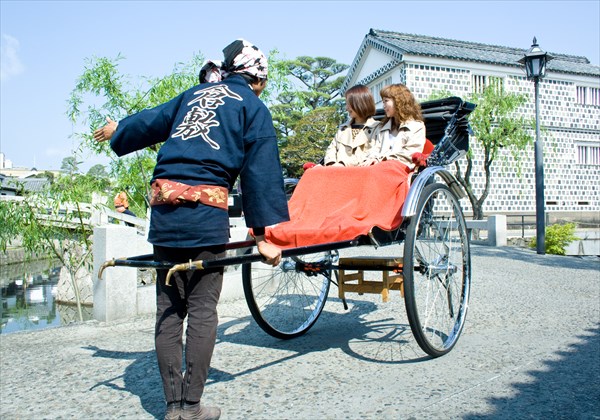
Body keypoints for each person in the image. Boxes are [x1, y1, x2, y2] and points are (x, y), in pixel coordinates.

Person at [93, 39, 289, 420]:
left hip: (163, 211)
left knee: (169, 309)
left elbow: (151, 120)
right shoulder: (253, 107)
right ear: (257, 78)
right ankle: (192, 407)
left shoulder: (194, 95)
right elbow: (259, 176)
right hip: (204, 215)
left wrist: (120, 128)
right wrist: (263, 238)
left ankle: (172, 408)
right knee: (202, 310)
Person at [360, 83, 426, 169]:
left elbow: (409, 154)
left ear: (399, 101)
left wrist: (382, 160)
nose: (383, 106)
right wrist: (372, 158)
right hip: (379, 168)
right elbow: (375, 148)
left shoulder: (417, 126)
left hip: (400, 169)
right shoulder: (382, 127)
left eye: (386, 101)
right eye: (383, 102)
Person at [323, 84, 378, 167]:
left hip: (363, 174)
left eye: (349, 104)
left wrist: (343, 164)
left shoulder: (377, 128)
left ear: (360, 103)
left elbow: (375, 153)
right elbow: (331, 149)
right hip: (337, 174)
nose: (346, 108)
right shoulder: (342, 129)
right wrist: (331, 163)